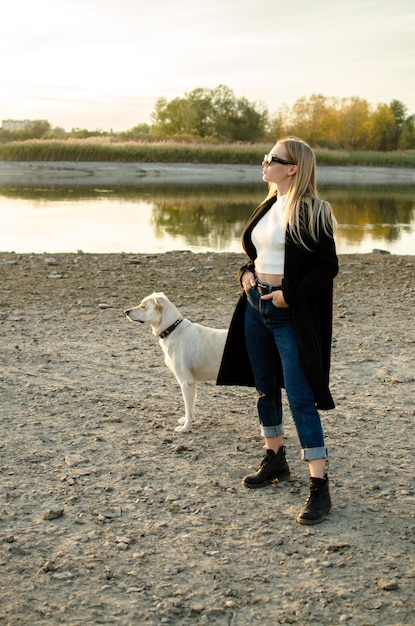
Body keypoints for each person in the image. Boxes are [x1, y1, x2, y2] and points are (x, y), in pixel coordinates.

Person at [217, 136, 338, 525]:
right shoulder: (269, 204)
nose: (264, 163)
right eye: (266, 157)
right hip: (256, 307)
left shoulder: (314, 211)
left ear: (293, 168)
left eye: (272, 159)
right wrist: (245, 273)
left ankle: (319, 486)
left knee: (300, 395)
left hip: (288, 312)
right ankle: (275, 458)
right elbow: (256, 254)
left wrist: (290, 294)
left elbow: (326, 267)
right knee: (265, 385)